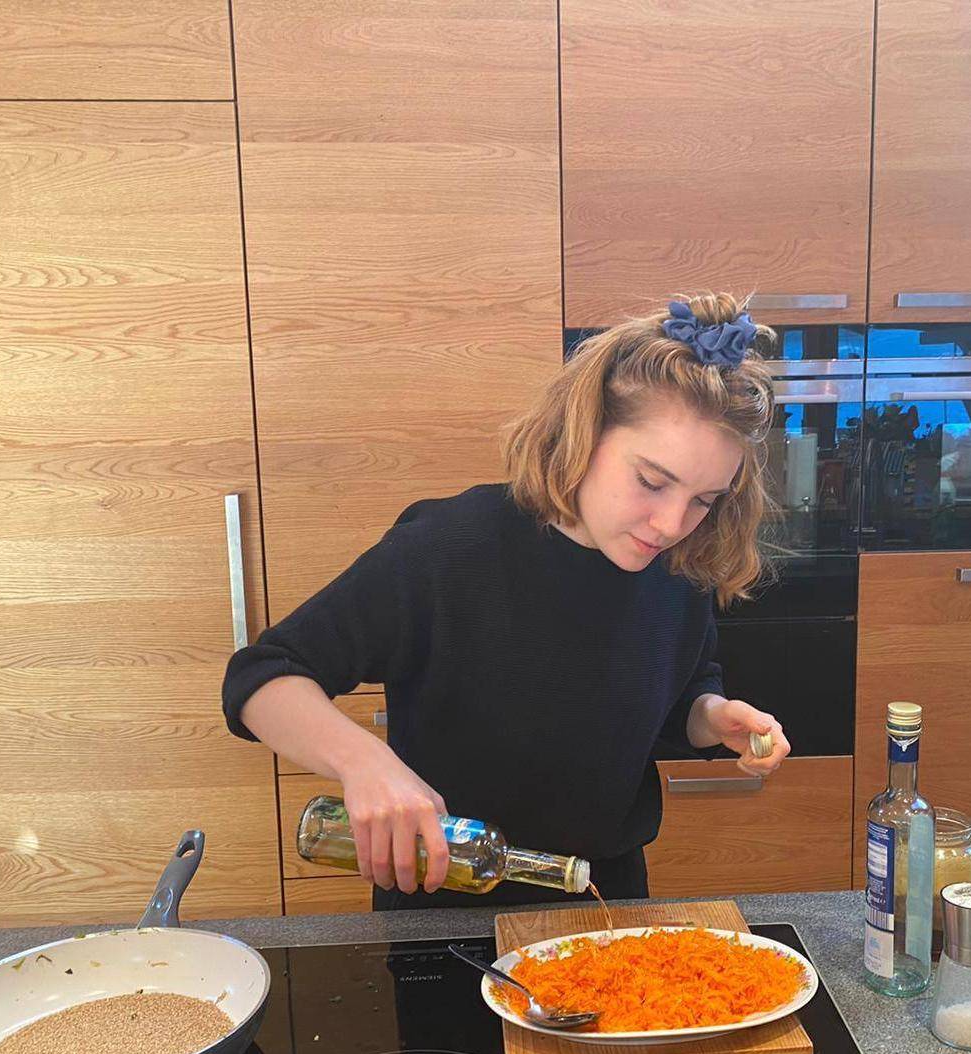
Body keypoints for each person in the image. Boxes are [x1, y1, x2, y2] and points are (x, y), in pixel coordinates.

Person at [221, 292, 792, 910]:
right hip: (443, 904)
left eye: (704, 500)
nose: (672, 524)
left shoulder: (679, 569)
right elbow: (260, 679)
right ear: (584, 434)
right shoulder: (448, 548)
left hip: (605, 897)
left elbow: (671, 698)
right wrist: (363, 762)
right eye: (651, 481)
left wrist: (711, 716)